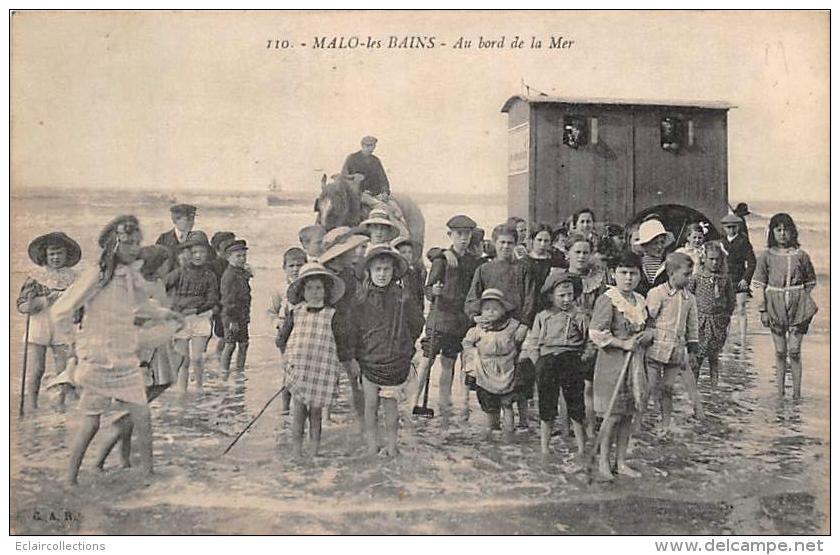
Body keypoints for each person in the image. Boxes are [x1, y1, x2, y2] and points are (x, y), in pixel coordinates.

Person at [52, 215, 182, 486]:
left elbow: (142, 306)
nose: (135, 249)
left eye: (137, 243)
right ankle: (69, 478)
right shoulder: (97, 274)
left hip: (125, 359)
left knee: (143, 417)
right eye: (129, 243)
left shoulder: (131, 274)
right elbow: (61, 311)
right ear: (114, 244)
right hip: (97, 360)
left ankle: (148, 475)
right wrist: (75, 344)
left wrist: (167, 314)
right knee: (91, 423)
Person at [92, 245, 185, 471]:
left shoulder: (158, 284)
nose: (168, 267)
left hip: (158, 348)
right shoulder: (139, 287)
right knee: (135, 408)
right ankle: (101, 458)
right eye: (165, 263)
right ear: (156, 265)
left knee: (135, 406)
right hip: (143, 351)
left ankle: (123, 460)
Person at [348, 245, 425, 457]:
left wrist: (404, 344)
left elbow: (417, 323)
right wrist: (354, 357)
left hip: (394, 362)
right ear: (369, 272)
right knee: (370, 407)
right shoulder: (361, 299)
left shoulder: (403, 298)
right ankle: (373, 447)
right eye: (378, 270)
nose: (382, 274)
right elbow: (352, 330)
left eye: (386, 269)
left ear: (393, 272)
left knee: (391, 409)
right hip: (369, 361)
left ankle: (391, 447)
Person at [465, 223, 538, 428]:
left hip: (516, 328)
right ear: (495, 243)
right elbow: (471, 299)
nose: (506, 247)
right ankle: (494, 431)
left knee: (519, 382)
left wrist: (524, 324)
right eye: (502, 243)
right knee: (491, 385)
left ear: (516, 244)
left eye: (510, 243)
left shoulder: (523, 269)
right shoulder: (484, 269)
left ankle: (523, 426)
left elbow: (531, 299)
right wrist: (476, 317)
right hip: (492, 332)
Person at [589, 250, 652, 481]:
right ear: (614, 274)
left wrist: (647, 336)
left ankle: (621, 461)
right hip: (612, 364)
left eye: (633, 273)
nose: (628, 278)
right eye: (623, 273)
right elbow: (596, 333)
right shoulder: (608, 299)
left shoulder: (640, 300)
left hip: (635, 365)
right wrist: (622, 342)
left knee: (628, 414)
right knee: (612, 416)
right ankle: (604, 462)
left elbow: (648, 328)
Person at [412, 215, 482, 421]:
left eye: (467, 234)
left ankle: (444, 403)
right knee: (426, 360)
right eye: (459, 234)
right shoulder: (441, 260)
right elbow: (427, 289)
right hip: (439, 317)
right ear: (450, 235)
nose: (463, 238)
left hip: (460, 320)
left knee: (449, 363)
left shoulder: (472, 262)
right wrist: (433, 290)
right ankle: (414, 401)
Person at [275, 263, 348, 458]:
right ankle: (297, 452)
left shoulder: (333, 315)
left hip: (322, 371)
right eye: (309, 288)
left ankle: (314, 452)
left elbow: (342, 343)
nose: (315, 292)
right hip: (299, 370)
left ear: (326, 291)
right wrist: (287, 358)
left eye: (319, 288)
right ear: (302, 291)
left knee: (316, 415)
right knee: (298, 413)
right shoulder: (295, 313)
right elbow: (282, 339)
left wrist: (346, 364)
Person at [523, 272, 591, 461]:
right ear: (551, 296)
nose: (567, 299)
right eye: (561, 295)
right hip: (548, 361)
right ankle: (545, 447)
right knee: (547, 406)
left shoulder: (579, 316)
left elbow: (589, 341)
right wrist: (539, 363)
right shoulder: (543, 316)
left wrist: (583, 359)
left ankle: (581, 447)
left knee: (576, 406)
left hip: (571, 359)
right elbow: (533, 343)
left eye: (570, 294)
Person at [752, 213, 817, 399]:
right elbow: (758, 285)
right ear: (772, 232)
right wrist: (763, 309)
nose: (782, 234)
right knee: (780, 351)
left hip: (797, 305)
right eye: (778, 230)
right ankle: (780, 393)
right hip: (774, 304)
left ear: (792, 232)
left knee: (794, 351)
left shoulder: (801, 255)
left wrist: (799, 297)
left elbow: (811, 281)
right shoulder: (766, 256)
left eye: (786, 229)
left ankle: (797, 393)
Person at [17, 231, 81, 411]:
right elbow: (21, 306)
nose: (55, 257)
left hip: (64, 325)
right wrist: (43, 301)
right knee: (36, 370)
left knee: (64, 371)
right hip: (39, 324)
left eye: (59, 253)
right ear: (45, 255)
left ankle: (60, 407)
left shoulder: (74, 277)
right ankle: (31, 406)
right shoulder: (36, 277)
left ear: (66, 255)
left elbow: (82, 303)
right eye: (52, 254)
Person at [319, 228, 370, 431]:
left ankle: (360, 417)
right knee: (328, 374)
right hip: (329, 329)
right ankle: (326, 416)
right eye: (351, 251)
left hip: (348, 328)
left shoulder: (349, 273)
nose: (355, 253)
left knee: (354, 373)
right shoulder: (324, 275)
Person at [645, 252, 703, 432]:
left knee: (668, 388)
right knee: (649, 387)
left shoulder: (689, 298)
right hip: (655, 348)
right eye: (686, 274)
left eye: (691, 274)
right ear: (671, 273)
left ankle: (665, 424)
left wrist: (692, 350)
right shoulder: (657, 293)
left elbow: (692, 325)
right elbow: (648, 318)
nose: (689, 278)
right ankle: (638, 422)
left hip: (676, 349)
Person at [462, 289, 529, 442]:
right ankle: (492, 435)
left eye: (495, 309)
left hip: (507, 368)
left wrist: (524, 352)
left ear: (503, 310)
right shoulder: (478, 328)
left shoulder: (513, 326)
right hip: (485, 369)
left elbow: (528, 338)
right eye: (486, 309)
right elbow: (466, 343)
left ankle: (508, 437)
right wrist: (473, 354)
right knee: (489, 407)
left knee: (507, 403)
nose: (490, 312)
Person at [563, 232, 608, 436]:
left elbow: (604, 306)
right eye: (577, 252)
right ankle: (566, 429)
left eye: (585, 252)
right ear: (568, 254)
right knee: (565, 387)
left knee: (588, 386)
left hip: (590, 335)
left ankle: (589, 430)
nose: (581, 256)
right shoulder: (560, 278)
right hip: (565, 335)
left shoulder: (597, 281)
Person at [165, 232, 218, 392]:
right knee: (183, 359)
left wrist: (195, 309)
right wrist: (169, 306)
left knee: (196, 357)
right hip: (180, 318)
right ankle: (182, 391)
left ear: (207, 254)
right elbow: (161, 286)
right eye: (194, 252)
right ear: (187, 253)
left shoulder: (210, 275)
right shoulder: (179, 272)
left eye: (202, 252)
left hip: (200, 317)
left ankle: (199, 387)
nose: (198, 256)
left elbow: (212, 300)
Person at [688, 242, 735, 387]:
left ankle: (714, 389)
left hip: (718, 322)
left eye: (717, 260)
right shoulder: (697, 277)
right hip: (701, 321)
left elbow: (731, 299)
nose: (714, 263)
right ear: (704, 259)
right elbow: (688, 296)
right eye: (711, 259)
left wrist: (726, 316)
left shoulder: (725, 278)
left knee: (714, 358)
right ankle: (693, 390)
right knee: (698, 358)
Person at [267, 247, 307, 414]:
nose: (295, 269)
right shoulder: (278, 288)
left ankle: (303, 406)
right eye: (291, 266)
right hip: (286, 333)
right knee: (288, 371)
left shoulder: (310, 285)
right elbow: (271, 311)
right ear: (284, 268)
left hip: (305, 331)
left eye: (299, 265)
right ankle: (285, 407)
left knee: (305, 369)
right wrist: (276, 322)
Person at [720, 213, 756, 347]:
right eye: (728, 227)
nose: (731, 230)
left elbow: (752, 262)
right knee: (726, 310)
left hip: (740, 279)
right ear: (724, 228)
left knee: (741, 309)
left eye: (734, 227)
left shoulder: (743, 242)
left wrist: (746, 279)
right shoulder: (721, 243)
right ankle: (726, 338)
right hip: (725, 279)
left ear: (738, 227)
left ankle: (742, 338)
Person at [220, 240, 251, 379]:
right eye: (238, 256)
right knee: (230, 344)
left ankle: (240, 370)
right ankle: (224, 371)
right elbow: (227, 300)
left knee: (244, 344)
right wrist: (232, 320)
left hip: (242, 314)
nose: (242, 259)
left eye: (244, 255)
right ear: (229, 257)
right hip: (231, 315)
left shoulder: (241, 272)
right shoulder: (229, 275)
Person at [208, 231, 235, 359]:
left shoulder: (233, 264)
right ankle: (216, 356)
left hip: (226, 303)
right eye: (227, 246)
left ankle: (217, 356)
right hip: (216, 303)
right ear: (218, 248)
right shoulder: (213, 265)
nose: (231, 248)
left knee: (223, 333)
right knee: (218, 333)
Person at [633, 218, 674, 296]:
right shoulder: (637, 264)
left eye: (662, 242)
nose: (659, 247)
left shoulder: (669, 265)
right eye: (655, 243)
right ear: (644, 245)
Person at [342, 135, 390, 203]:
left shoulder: (375, 161)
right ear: (362, 146)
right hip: (356, 195)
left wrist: (385, 192)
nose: (371, 149)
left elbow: (383, 179)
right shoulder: (352, 158)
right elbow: (343, 176)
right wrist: (354, 177)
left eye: (373, 146)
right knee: (377, 204)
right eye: (368, 146)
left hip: (374, 194)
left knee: (388, 208)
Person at [527, 223, 567, 299]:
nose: (542, 244)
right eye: (539, 240)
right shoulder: (524, 262)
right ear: (532, 240)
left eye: (546, 241)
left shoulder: (557, 261)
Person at [156, 204, 198, 268]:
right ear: (175, 220)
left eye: (193, 218)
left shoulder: (197, 238)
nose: (191, 222)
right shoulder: (164, 239)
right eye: (188, 219)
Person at [391, 236, 426, 312]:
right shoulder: (393, 273)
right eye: (403, 252)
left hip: (414, 312)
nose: (408, 255)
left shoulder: (416, 272)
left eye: (410, 252)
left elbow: (420, 294)